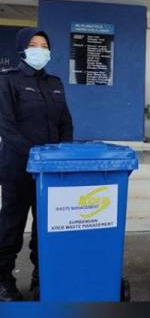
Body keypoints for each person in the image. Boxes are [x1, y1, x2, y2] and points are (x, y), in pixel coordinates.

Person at [0, 28, 73, 301]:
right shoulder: (8, 81)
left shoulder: (55, 83)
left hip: (52, 172)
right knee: (11, 227)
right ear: (22, 49)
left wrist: (61, 154)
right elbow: (6, 127)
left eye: (45, 45)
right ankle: (3, 280)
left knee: (47, 228)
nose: (40, 50)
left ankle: (42, 276)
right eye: (34, 44)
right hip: (18, 169)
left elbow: (66, 122)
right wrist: (36, 156)